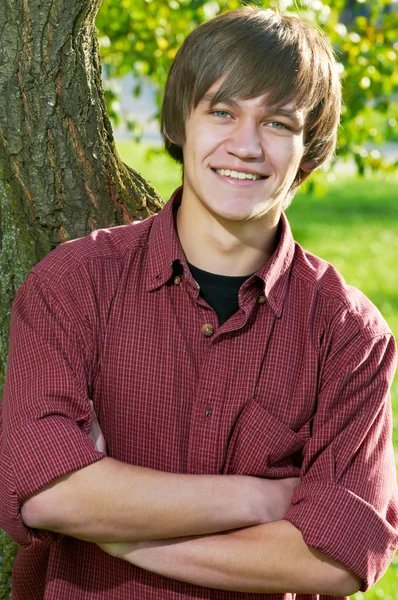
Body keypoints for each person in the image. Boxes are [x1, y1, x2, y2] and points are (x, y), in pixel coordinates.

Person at [0, 6, 397, 600]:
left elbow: (333, 558)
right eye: (221, 112)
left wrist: (116, 530)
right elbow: (42, 488)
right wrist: (260, 498)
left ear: (309, 152)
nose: (246, 146)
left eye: (279, 124)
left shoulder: (348, 333)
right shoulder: (75, 283)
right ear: (180, 123)